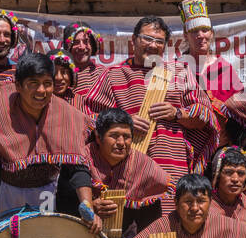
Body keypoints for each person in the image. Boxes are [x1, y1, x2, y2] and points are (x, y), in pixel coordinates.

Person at [88, 16, 219, 209]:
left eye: (159, 41)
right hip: (127, 170)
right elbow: (89, 116)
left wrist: (178, 113)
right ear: (133, 40)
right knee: (126, 228)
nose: (152, 45)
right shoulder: (113, 75)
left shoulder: (179, 71)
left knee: (170, 224)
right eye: (146, 38)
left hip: (171, 166)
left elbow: (205, 114)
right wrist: (123, 122)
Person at [0, 52, 102, 238]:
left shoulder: (67, 115)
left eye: (47, 83)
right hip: (7, 192)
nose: (41, 91)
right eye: (33, 84)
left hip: (47, 192)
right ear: (19, 86)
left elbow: (78, 165)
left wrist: (87, 207)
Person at [88, 107, 171, 238]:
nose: (121, 143)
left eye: (126, 137)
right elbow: (64, 201)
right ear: (98, 137)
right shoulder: (83, 159)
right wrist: (89, 205)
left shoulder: (146, 169)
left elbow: (149, 225)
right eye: (114, 136)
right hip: (80, 235)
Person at [180, 0, 243, 104]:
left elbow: (239, 105)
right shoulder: (178, 68)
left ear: (212, 33)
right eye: (193, 31)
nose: (200, 35)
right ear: (185, 35)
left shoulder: (224, 69)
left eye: (205, 30)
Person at [62, 22, 105, 100]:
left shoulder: (103, 74)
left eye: (86, 42)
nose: (82, 47)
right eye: (76, 42)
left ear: (92, 45)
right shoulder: (62, 76)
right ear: (68, 47)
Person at [51, 50, 92, 117]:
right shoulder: (41, 100)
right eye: (53, 72)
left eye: (64, 72)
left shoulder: (79, 101)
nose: (58, 78)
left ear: (71, 76)